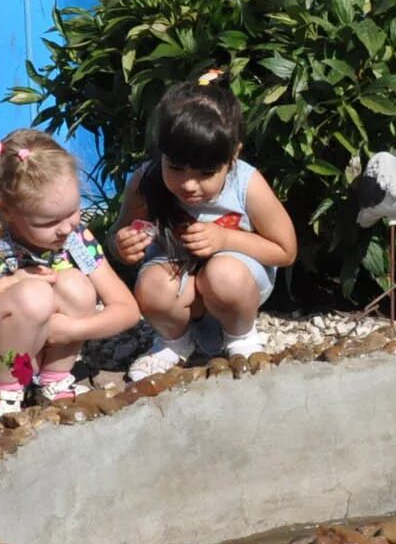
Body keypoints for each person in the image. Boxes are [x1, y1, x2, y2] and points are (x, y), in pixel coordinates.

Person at [0, 129, 141, 420]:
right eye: (50, 221)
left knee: (75, 285)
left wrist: (72, 331)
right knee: (34, 294)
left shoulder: (75, 238)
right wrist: (7, 284)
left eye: (73, 211)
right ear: (8, 210)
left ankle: (53, 381)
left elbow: (127, 310)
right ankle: (1, 396)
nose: (66, 228)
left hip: (34, 357)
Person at [114, 71, 298, 381]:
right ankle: (174, 341)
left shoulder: (246, 184)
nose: (189, 184)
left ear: (233, 156)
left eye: (206, 172)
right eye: (175, 167)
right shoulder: (145, 182)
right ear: (162, 152)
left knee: (223, 274)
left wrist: (225, 238)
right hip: (176, 281)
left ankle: (240, 336)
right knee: (152, 286)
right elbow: (117, 237)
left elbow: (285, 250)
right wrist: (122, 246)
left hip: (237, 283)